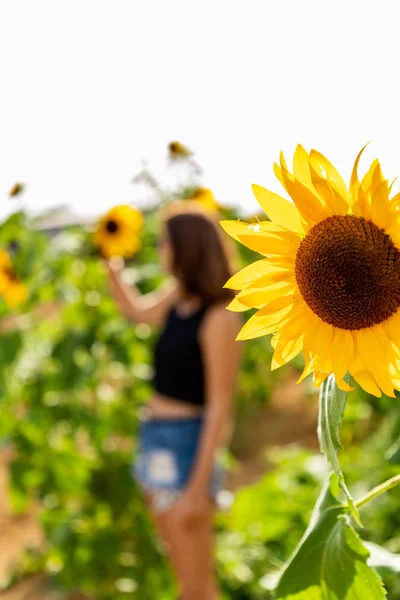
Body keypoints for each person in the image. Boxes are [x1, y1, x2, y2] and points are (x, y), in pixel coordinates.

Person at [106, 205, 241, 600]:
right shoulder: (178, 297)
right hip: (156, 440)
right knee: (183, 579)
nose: (159, 249)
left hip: (187, 448)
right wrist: (111, 270)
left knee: (198, 588)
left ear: (187, 247)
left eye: (164, 240)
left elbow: (220, 406)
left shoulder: (219, 316)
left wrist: (198, 489)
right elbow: (136, 312)